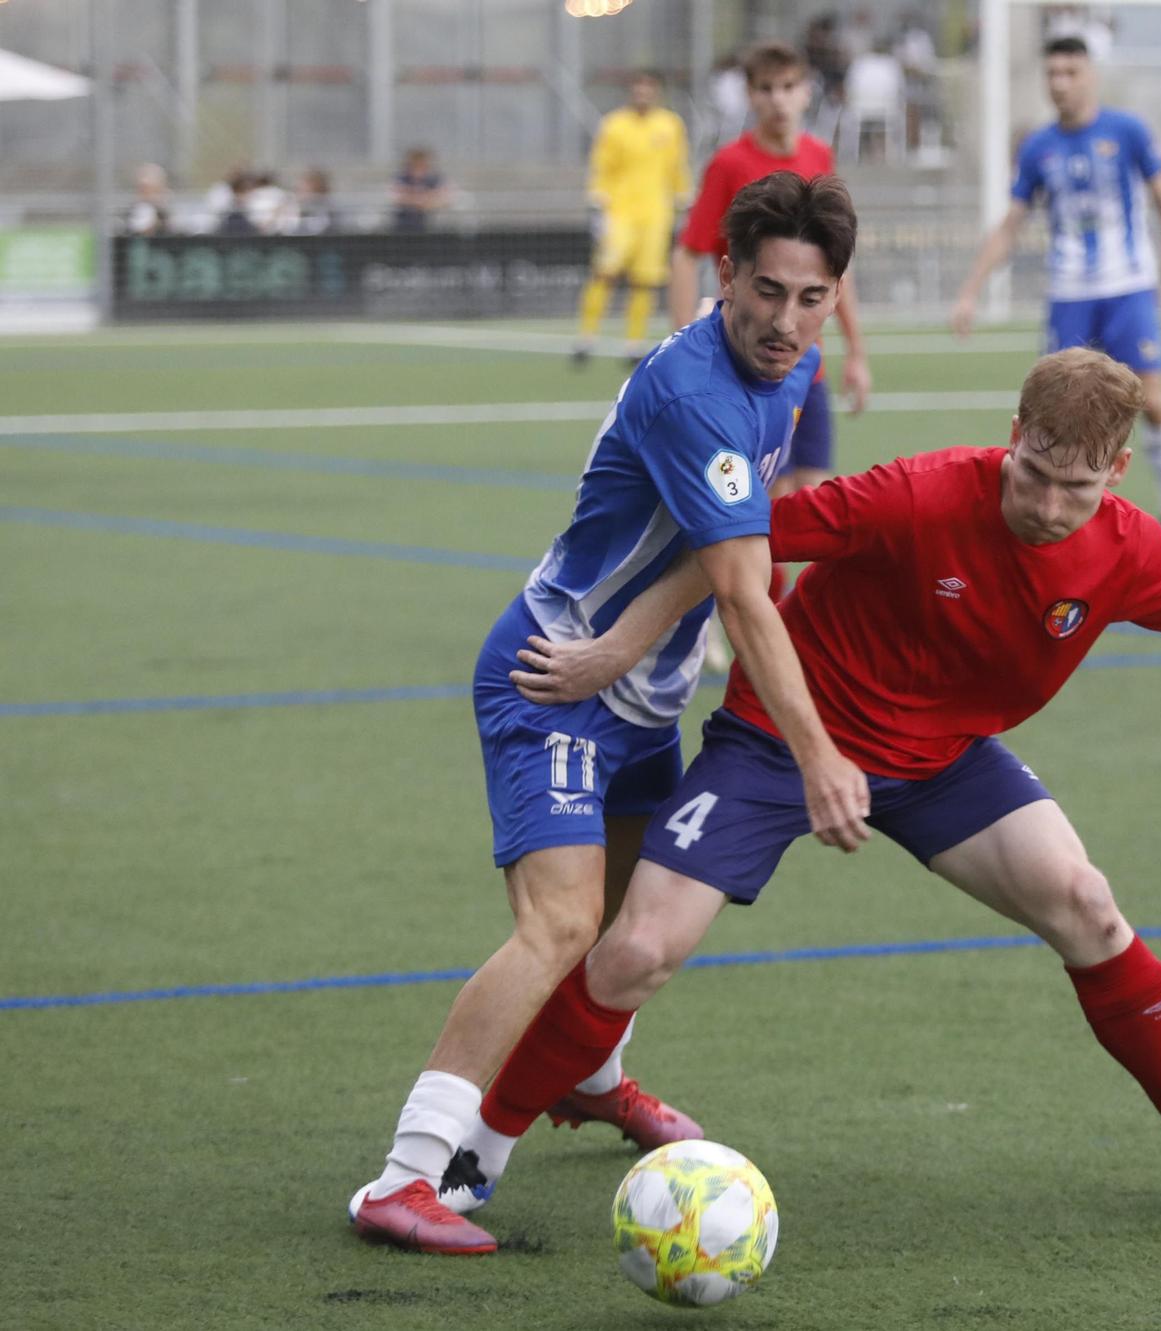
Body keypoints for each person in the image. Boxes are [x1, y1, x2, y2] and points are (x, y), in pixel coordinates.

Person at [432, 348, 1161, 1221]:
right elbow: (738, 542)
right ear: (1013, 435)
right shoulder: (917, 493)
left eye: (1075, 489)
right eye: (1033, 474)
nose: (1047, 507)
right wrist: (619, 645)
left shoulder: (1124, 546)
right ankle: (475, 1153)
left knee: (1086, 903)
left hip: (944, 758)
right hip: (782, 743)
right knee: (636, 948)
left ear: (1117, 474)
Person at [346, 173, 872, 1256]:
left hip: (633, 693)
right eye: (764, 291)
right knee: (560, 926)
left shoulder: (791, 364)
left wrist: (636, 647)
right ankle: (403, 1175)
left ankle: (587, 1077)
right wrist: (816, 754)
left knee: (633, 924)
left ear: (834, 297)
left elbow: (737, 542)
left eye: (809, 298)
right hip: (553, 678)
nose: (783, 322)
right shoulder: (695, 393)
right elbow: (739, 584)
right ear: (722, 274)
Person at [951, 36, 1161, 564]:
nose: (1060, 83)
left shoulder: (1127, 131)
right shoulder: (1038, 147)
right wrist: (970, 291)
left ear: (1090, 76)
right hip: (1069, 296)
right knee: (1058, 417)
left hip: (1129, 289)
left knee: (1156, 405)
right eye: (1053, 74)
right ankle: (1064, 519)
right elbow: (1011, 224)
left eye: (1070, 72)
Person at [674, 43, 869, 498]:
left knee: (815, 502)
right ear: (750, 95)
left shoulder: (819, 157)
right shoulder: (729, 165)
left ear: (806, 92)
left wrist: (857, 351)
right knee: (764, 509)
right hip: (749, 362)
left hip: (806, 364)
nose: (778, 99)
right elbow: (687, 253)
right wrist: (683, 341)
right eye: (766, 89)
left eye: (788, 87)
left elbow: (838, 266)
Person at [573, 72, 695, 368]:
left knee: (646, 279)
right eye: (637, 89)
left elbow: (677, 166)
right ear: (631, 92)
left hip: (656, 213)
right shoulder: (614, 125)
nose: (642, 94)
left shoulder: (670, 125)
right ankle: (586, 337)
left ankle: (633, 343)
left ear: (656, 92)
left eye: (648, 89)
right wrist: (598, 199)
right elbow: (602, 165)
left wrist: (684, 195)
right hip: (621, 211)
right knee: (606, 271)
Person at [391, 148, 451, 233]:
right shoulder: (402, 178)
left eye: (422, 165)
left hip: (431, 226)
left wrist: (416, 199)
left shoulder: (435, 178)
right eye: (415, 165)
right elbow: (397, 197)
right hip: (403, 226)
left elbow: (445, 198)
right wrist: (422, 200)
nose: (418, 168)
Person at [126, 163, 175, 236]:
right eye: (142, 189)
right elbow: (138, 229)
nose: (146, 193)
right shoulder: (136, 210)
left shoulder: (165, 211)